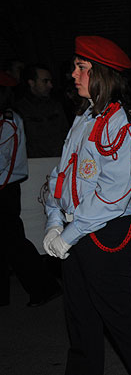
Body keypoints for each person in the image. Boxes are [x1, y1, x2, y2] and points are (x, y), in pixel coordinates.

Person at [43, 36, 131, 375]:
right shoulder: (85, 115)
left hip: (104, 232)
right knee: (80, 322)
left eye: (81, 67)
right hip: (75, 227)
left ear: (101, 74)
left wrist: (69, 234)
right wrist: (54, 220)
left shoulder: (126, 123)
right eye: (75, 66)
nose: (73, 74)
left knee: (120, 322)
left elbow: (112, 196)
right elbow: (63, 173)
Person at [0, 71, 61, 307]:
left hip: (5, 188)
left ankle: (44, 287)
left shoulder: (9, 121)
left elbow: (4, 160)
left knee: (15, 242)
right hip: (5, 185)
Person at [14, 64, 69, 157]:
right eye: (45, 81)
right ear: (31, 83)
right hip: (32, 163)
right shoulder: (19, 109)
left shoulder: (56, 106)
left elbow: (65, 133)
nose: (50, 85)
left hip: (58, 159)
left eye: (50, 81)